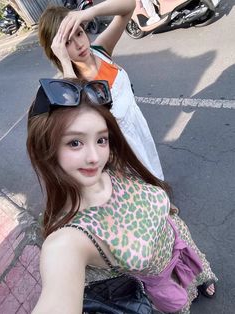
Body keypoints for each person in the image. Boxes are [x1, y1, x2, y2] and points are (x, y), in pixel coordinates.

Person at [28, 78, 217, 314]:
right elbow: (57, 296)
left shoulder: (113, 167)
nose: (95, 156)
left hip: (182, 243)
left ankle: (203, 278)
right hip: (165, 286)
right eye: (75, 143)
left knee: (202, 274)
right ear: (45, 148)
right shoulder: (70, 238)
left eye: (101, 139)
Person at [38, 0, 164, 180]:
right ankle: (160, 206)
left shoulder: (100, 50)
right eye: (67, 43)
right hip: (119, 148)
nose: (79, 44)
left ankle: (163, 198)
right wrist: (65, 63)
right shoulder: (71, 85)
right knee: (140, 186)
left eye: (79, 33)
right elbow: (76, 123)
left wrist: (88, 13)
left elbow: (128, 7)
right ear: (57, 51)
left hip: (137, 126)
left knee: (152, 168)